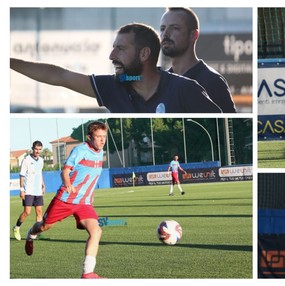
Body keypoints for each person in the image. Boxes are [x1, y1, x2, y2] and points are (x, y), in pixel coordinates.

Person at [10, 23, 222, 113]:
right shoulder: (115, 86)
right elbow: (60, 76)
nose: (112, 56)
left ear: (144, 54)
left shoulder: (186, 89)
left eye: (120, 49)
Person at [24, 121, 108, 279]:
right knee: (43, 227)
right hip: (66, 199)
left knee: (96, 231)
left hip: (84, 203)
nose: (102, 140)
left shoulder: (100, 152)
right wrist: (68, 183)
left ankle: (87, 273)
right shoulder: (80, 150)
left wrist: (90, 195)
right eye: (98, 137)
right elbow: (65, 171)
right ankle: (30, 234)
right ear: (89, 137)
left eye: (104, 137)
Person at [160, 7, 237, 113]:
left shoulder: (213, 82)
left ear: (193, 35)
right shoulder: (162, 82)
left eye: (175, 28)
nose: (165, 34)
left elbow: (229, 125)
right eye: (162, 28)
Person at [12, 141, 46, 241]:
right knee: (27, 212)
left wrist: (43, 185)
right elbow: (22, 176)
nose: (38, 151)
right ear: (32, 148)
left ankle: (37, 232)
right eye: (36, 149)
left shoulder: (41, 160)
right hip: (29, 191)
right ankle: (16, 227)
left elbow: (40, 173)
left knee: (39, 212)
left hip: (38, 191)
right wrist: (22, 190)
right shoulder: (26, 160)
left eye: (40, 149)